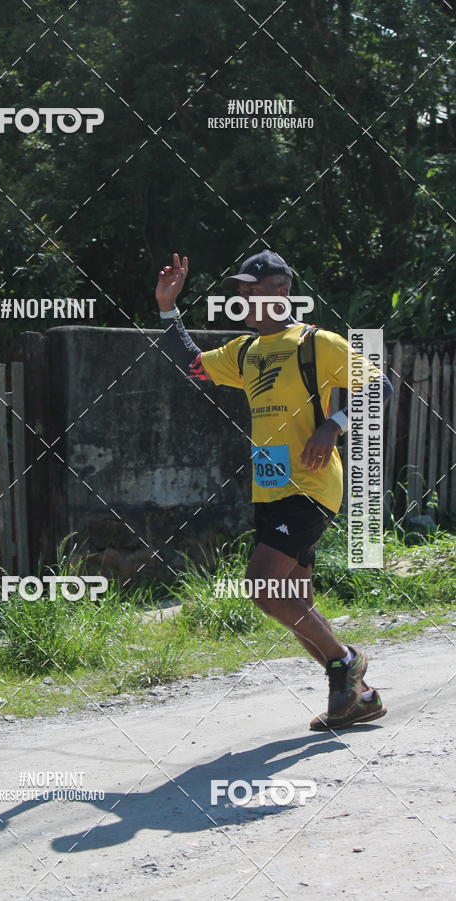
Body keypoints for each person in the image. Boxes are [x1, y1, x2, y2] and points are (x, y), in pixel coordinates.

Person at [156, 250, 393, 730]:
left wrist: (332, 425)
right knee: (295, 599)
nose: (243, 297)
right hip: (269, 488)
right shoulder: (244, 352)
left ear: (282, 292)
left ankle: (346, 661)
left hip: (310, 484)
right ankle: (360, 698)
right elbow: (194, 365)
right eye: (241, 290)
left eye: (253, 289)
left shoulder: (315, 342)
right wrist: (167, 307)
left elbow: (379, 386)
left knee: (262, 587)